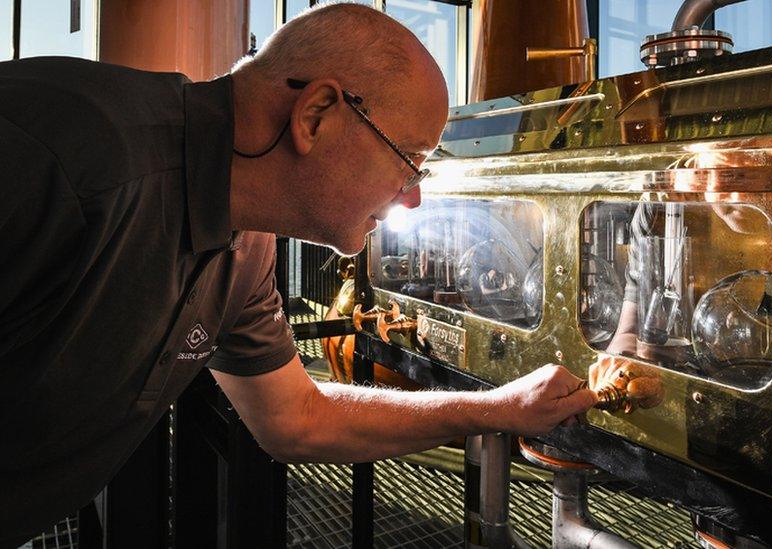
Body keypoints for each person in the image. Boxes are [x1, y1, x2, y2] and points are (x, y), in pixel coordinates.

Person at [0, 4, 598, 544]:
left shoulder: (247, 247)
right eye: (411, 161)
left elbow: (296, 418)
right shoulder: (61, 152)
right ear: (315, 114)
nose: (413, 199)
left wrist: (498, 406)